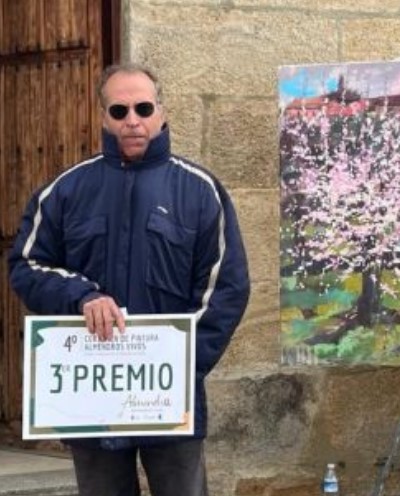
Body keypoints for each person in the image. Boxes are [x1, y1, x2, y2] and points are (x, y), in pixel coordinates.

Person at [8, 62, 250, 496]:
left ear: (162, 112)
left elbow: (226, 287)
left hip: (169, 399)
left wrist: (182, 365)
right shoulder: (65, 191)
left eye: (143, 107)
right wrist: (81, 296)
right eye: (119, 111)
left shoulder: (199, 191)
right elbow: (26, 266)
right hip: (92, 401)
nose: (132, 120)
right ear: (103, 118)